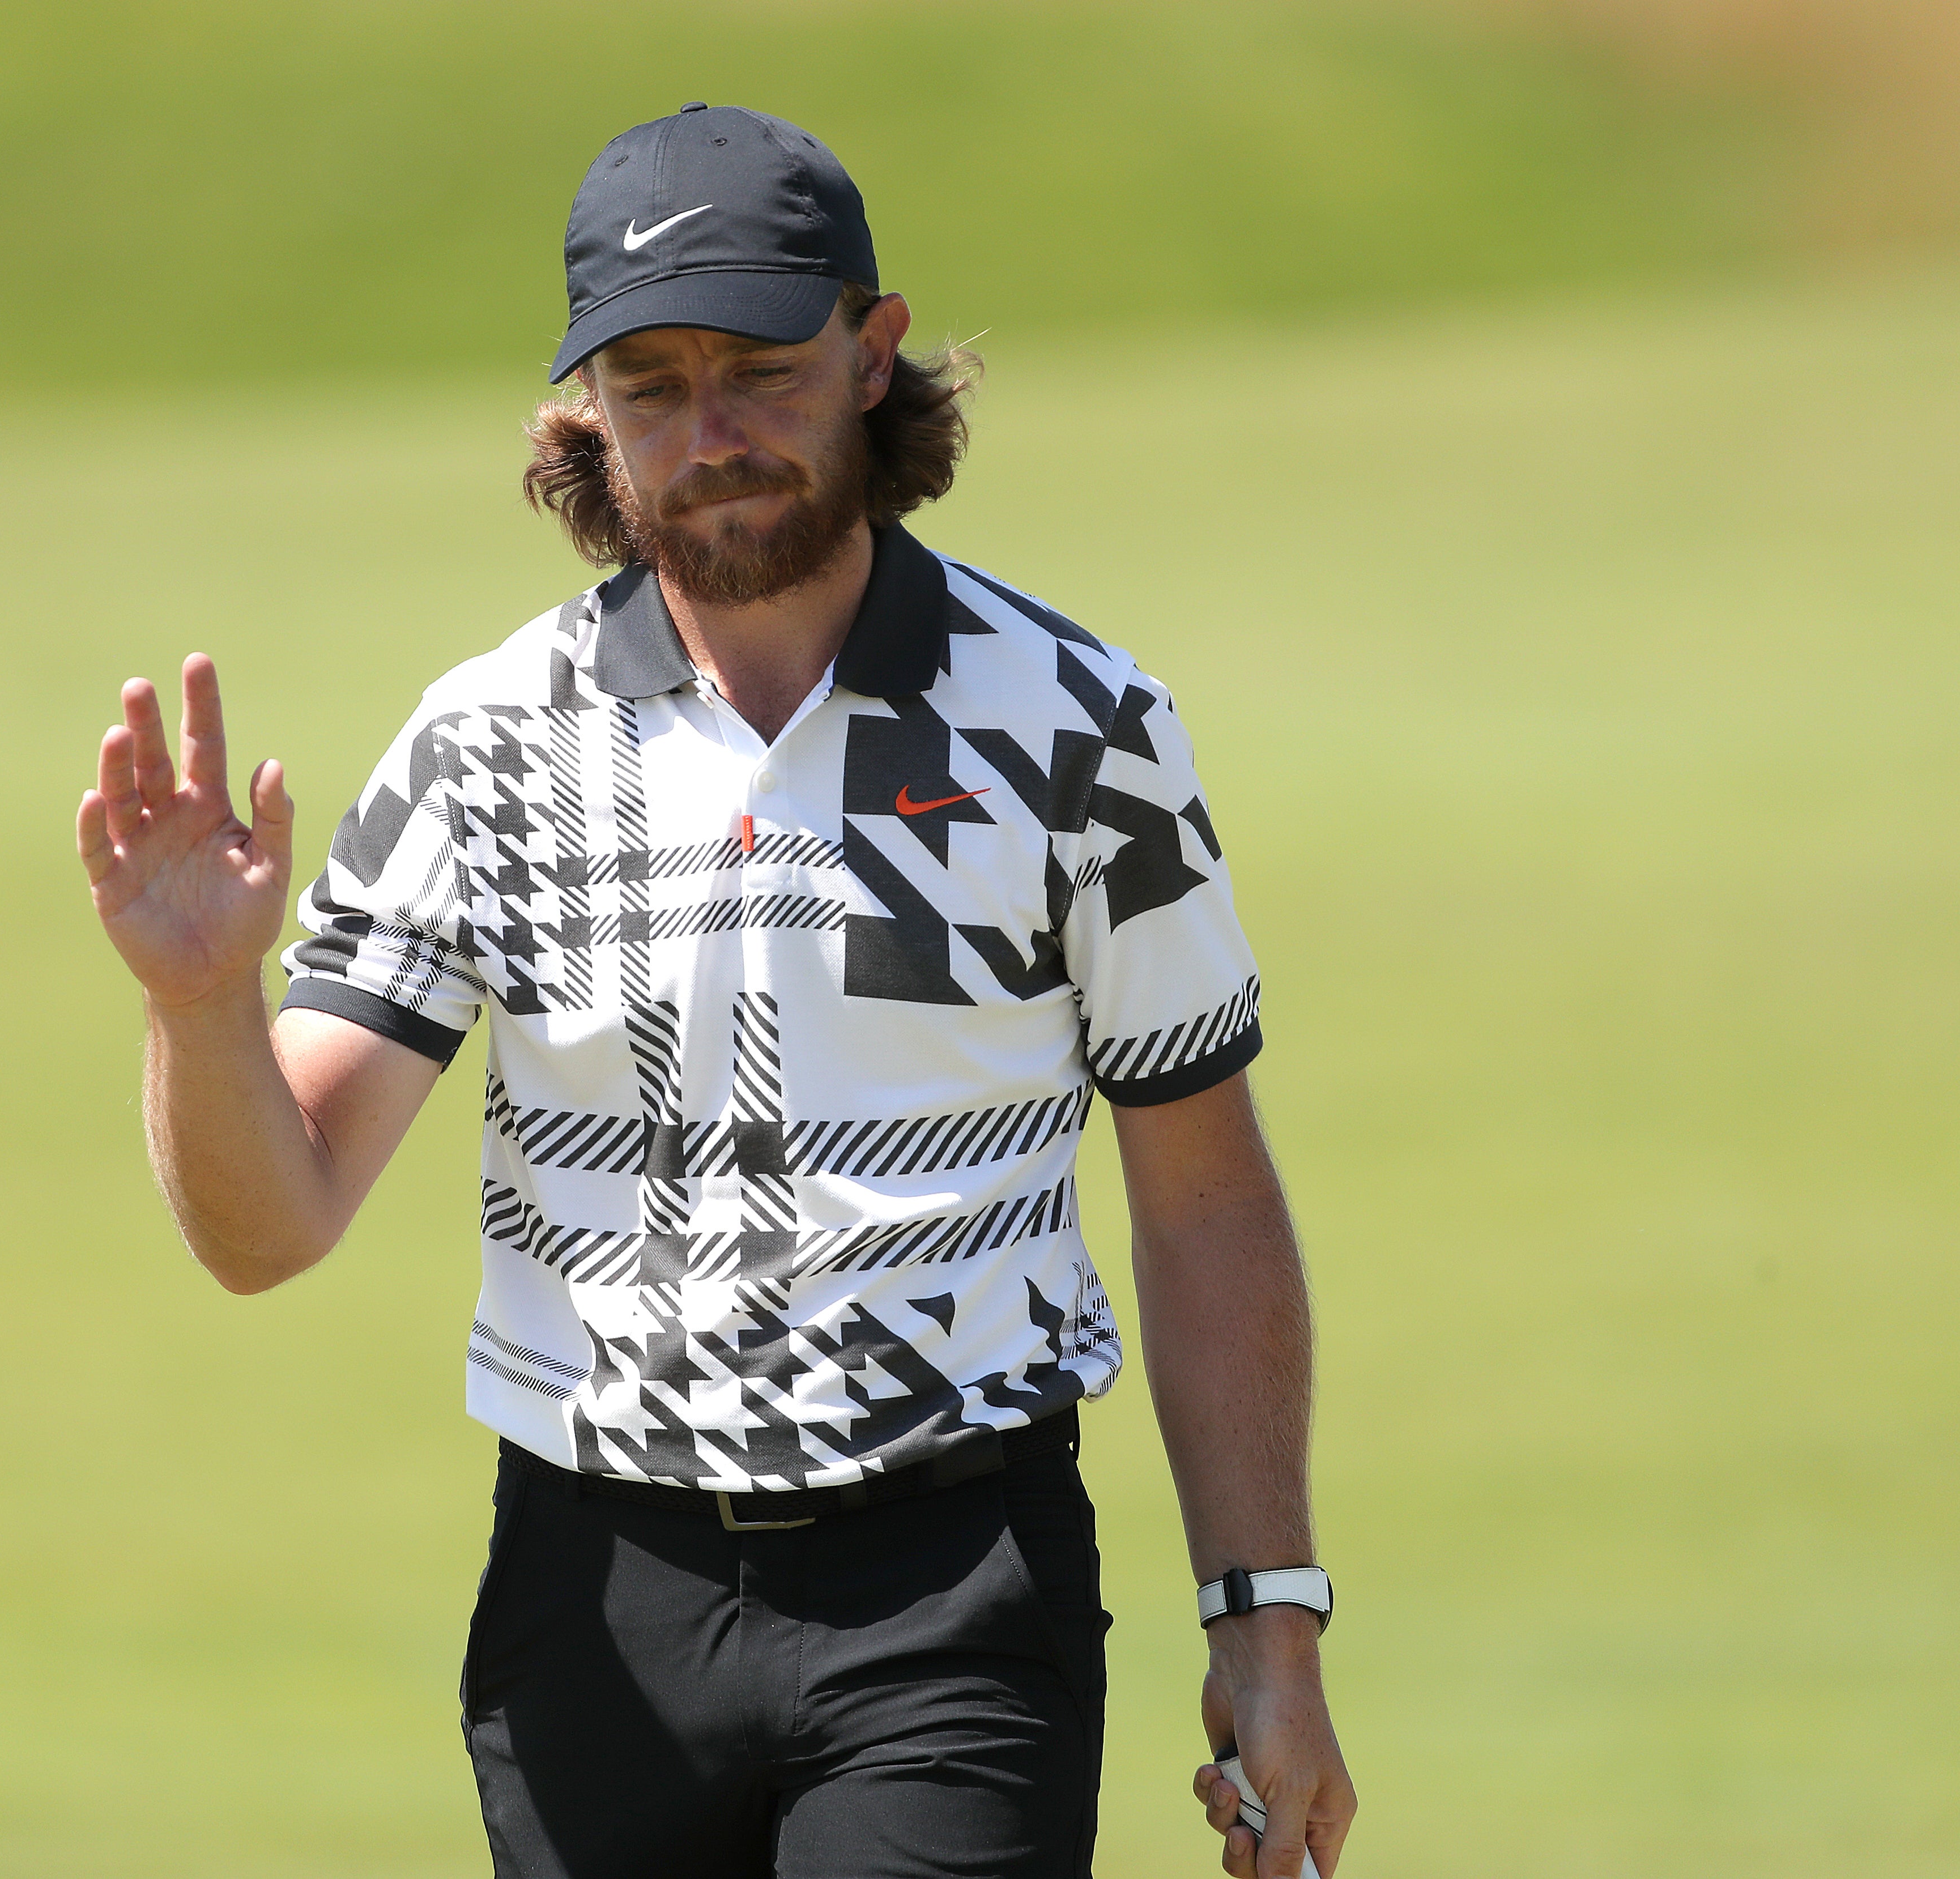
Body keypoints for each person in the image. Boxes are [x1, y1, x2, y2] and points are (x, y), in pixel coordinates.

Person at [75, 102, 1354, 1879]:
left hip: (954, 1590)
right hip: (597, 1609)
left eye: (760, 368)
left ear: (873, 350)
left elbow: (1205, 1196)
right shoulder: (486, 744)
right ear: (584, 414)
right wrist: (199, 1009)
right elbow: (264, 1221)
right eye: (654, 387)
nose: (715, 434)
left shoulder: (1079, 728)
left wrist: (1266, 1622)